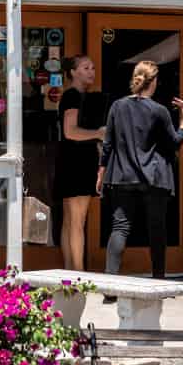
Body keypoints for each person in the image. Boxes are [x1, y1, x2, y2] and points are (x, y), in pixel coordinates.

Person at [97, 60, 183, 281]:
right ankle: (158, 280)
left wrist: (101, 171)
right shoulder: (159, 111)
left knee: (120, 227)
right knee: (156, 229)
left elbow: (108, 143)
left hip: (122, 175)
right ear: (154, 81)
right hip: (155, 178)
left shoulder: (117, 107)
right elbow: (175, 142)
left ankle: (110, 285)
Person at [54, 55, 105, 271]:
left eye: (93, 67)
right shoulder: (73, 96)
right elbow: (70, 131)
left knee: (70, 220)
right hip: (77, 161)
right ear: (73, 72)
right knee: (77, 220)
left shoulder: (76, 96)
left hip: (71, 159)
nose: (91, 71)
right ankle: (78, 274)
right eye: (85, 68)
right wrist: (99, 133)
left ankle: (69, 270)